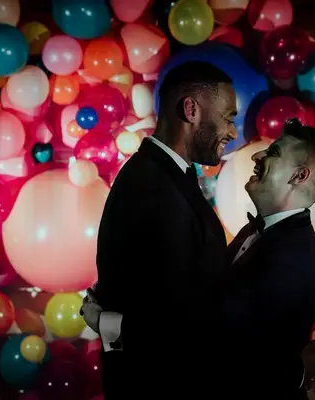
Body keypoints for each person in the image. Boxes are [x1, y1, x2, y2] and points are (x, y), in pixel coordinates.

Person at [85, 118, 315, 398]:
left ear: (299, 176)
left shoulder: (290, 262)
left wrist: (111, 324)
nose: (257, 155)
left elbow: (209, 339)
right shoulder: (264, 233)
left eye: (274, 152)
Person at [91, 61, 238, 398]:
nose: (232, 131)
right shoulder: (153, 188)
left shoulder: (163, 176)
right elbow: (170, 322)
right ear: (191, 109)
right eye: (228, 117)